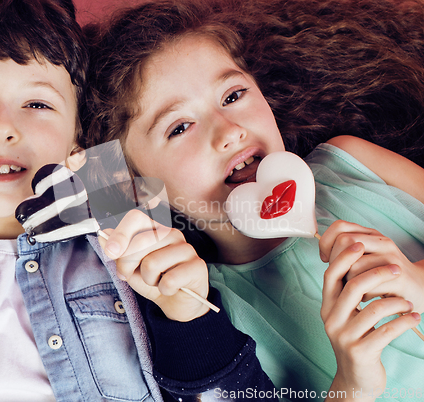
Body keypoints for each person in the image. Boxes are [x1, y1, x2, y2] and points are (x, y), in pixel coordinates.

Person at [0, 0, 277, 400]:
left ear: (80, 138)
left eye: (38, 104)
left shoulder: (124, 208)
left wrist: (187, 318)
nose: (1, 128)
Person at [84, 0, 424, 400]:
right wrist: (352, 384)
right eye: (180, 127)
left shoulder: (351, 160)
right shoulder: (208, 314)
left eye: (233, 95)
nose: (229, 130)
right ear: (139, 187)